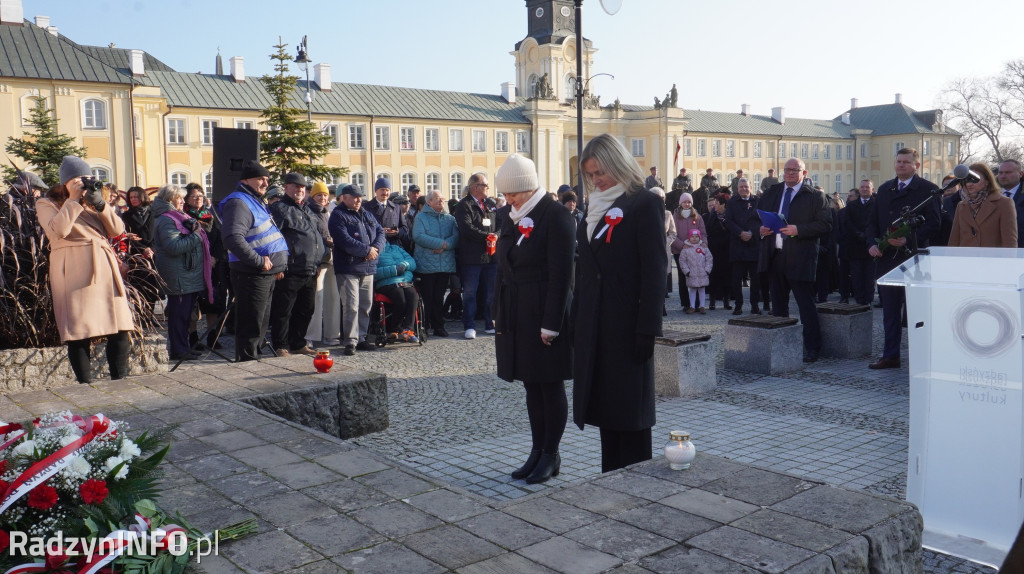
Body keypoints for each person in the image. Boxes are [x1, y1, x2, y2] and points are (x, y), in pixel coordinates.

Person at [573, 133, 667, 473]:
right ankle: (610, 479)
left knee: (630, 412)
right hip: (596, 324)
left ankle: (637, 483)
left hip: (627, 325)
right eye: (592, 175)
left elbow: (656, 271)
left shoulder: (643, 203)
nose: (597, 180)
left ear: (618, 163)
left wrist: (648, 329)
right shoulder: (594, 207)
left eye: (601, 172)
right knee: (608, 411)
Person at [490, 154, 575, 484]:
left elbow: (562, 275)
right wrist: (498, 312)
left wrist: (552, 323)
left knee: (549, 384)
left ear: (527, 187)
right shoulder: (512, 216)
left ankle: (551, 454)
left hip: (544, 312)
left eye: (512, 193)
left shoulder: (555, 216)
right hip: (517, 310)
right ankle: (537, 450)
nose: (507, 199)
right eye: (506, 194)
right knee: (530, 384)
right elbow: (502, 267)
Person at [37, 156, 135, 383]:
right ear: (66, 182)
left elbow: (117, 230)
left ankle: (120, 382)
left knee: (120, 327)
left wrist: (101, 204)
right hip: (72, 268)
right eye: (80, 178)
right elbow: (57, 232)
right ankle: (85, 386)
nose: (86, 182)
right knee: (78, 332)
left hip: (103, 263)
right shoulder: (47, 203)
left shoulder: (94, 201)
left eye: (89, 177)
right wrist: (72, 200)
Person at [865, 148, 940, 369]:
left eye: (906, 162)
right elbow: (872, 223)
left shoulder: (928, 190)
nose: (901, 165)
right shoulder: (884, 189)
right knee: (889, 311)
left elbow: (934, 223)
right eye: (898, 161)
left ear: (916, 165)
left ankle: (923, 356)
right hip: (887, 259)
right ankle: (891, 355)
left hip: (915, 260)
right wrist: (871, 244)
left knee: (918, 312)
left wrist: (908, 239)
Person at [758, 158, 832, 363]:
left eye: (794, 170)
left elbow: (826, 225)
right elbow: (759, 217)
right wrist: (761, 229)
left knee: (805, 304)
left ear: (804, 172)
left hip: (801, 257)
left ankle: (812, 347)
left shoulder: (815, 196)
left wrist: (798, 230)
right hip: (775, 256)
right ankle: (782, 346)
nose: (789, 174)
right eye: (787, 170)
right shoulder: (773, 192)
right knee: (778, 306)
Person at [218, 160, 289, 362]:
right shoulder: (238, 202)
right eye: (260, 179)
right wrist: (258, 261)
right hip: (251, 273)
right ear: (245, 180)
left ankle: (255, 361)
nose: (265, 183)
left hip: (264, 272)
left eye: (267, 179)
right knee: (252, 326)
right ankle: (248, 365)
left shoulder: (254, 200)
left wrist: (277, 264)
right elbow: (232, 238)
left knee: (261, 325)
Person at [151, 184, 211, 361]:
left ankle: (183, 347)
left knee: (185, 315)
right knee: (178, 315)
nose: (182, 201)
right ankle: (178, 349)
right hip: (178, 274)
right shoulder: (166, 219)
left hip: (186, 273)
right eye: (179, 198)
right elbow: (173, 247)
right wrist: (197, 236)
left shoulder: (176, 216)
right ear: (170, 199)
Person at [268, 172, 324, 357]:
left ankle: (298, 343)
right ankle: (281, 345)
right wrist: (278, 265)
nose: (300, 190)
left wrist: (318, 261)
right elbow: (274, 239)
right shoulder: (280, 208)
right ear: (286, 187)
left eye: (302, 187)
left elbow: (315, 237)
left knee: (306, 309)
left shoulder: (307, 209)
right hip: (290, 269)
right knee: (283, 310)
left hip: (309, 268)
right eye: (296, 186)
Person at [329, 184, 386, 356]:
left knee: (365, 305)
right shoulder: (338, 215)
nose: (358, 200)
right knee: (351, 306)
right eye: (355, 197)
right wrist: (367, 250)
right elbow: (344, 241)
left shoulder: (367, 214)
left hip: (368, 267)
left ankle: (361, 338)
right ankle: (351, 341)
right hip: (348, 267)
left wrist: (375, 249)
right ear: (343, 197)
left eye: (360, 196)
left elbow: (380, 233)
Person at [454, 172, 498, 339]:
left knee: (490, 293)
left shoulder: (491, 204)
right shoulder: (464, 205)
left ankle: (490, 323)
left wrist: (497, 235)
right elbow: (466, 228)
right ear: (475, 187)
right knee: (470, 293)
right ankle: (469, 325)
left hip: (491, 256)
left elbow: (500, 222)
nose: (487, 188)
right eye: (485, 185)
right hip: (472, 258)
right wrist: (487, 236)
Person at [184, 183, 226, 349]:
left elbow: (219, 239)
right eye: (194, 196)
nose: (198, 198)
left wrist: (215, 257)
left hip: (212, 267)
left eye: (200, 195)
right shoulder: (184, 217)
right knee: (193, 305)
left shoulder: (210, 216)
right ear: (187, 199)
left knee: (213, 302)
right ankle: (193, 338)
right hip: (193, 266)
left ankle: (212, 337)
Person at [413, 190, 459, 337]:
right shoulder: (421, 217)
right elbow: (418, 236)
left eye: (442, 199)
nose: (441, 202)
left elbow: (456, 236)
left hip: (444, 264)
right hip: (427, 264)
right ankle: (425, 326)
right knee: (427, 297)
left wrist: (445, 246)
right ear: (429, 202)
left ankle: (439, 326)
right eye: (438, 199)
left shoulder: (450, 218)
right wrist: (441, 244)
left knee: (439, 297)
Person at [304, 181, 340, 347]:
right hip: (318, 260)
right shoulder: (308, 211)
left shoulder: (329, 212)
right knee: (316, 298)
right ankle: (311, 335)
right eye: (319, 195)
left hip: (332, 259)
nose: (323, 198)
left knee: (333, 298)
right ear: (313, 196)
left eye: (325, 195)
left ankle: (332, 334)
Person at [948, 163, 1017, 248]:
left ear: (987, 181)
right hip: (965, 259)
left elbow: (1009, 242)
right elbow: (954, 241)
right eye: (967, 180)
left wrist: (1007, 261)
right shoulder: (962, 205)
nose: (970, 184)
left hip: (992, 259)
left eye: (975, 179)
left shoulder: (1004, 203)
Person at [724, 181, 762, 315]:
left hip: (754, 244)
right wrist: (740, 233)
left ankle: (755, 305)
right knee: (736, 279)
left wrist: (752, 232)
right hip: (738, 244)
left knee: (755, 280)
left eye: (746, 186)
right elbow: (728, 220)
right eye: (741, 187)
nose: (744, 189)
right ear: (737, 189)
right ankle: (738, 305)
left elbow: (762, 220)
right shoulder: (732, 202)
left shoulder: (758, 201)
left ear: (751, 187)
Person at [374, 242, 420, 343]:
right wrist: (394, 270)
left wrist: (404, 265)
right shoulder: (373, 251)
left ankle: (408, 330)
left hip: (405, 280)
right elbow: (374, 272)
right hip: (387, 282)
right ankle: (394, 329)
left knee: (413, 296)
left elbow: (412, 262)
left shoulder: (396, 248)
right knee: (401, 299)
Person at [670, 192, 707, 311]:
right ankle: (686, 303)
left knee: (695, 276)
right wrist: (682, 245)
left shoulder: (697, 216)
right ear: (681, 203)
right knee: (683, 277)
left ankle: (696, 304)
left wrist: (704, 244)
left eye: (689, 202)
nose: (687, 204)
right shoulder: (675, 216)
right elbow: (671, 234)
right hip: (679, 251)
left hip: (694, 251)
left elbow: (703, 233)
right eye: (685, 202)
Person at [842, 180, 876, 305]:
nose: (864, 189)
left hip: (871, 246)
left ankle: (868, 299)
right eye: (862, 187)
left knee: (869, 276)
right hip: (855, 245)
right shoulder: (851, 205)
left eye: (867, 187)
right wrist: (858, 234)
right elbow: (848, 223)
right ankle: (859, 299)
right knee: (856, 276)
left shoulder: (877, 204)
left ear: (872, 189)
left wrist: (868, 235)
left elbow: (877, 222)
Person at [703, 193, 731, 310]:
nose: (714, 206)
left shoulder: (729, 215)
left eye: (717, 204)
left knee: (727, 276)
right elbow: (708, 230)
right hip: (714, 250)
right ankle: (712, 301)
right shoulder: (711, 216)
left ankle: (726, 300)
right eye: (714, 204)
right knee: (713, 275)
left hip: (727, 249)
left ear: (723, 205)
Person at [365, 177, 410, 248]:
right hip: (375, 246)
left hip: (393, 246)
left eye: (387, 190)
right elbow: (363, 228)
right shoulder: (366, 207)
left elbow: (405, 229)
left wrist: (397, 232)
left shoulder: (396, 207)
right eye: (382, 190)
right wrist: (380, 231)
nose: (385, 193)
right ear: (376, 191)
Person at [650, 187, 676, 304]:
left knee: (663, 276)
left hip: (664, 249)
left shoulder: (668, 214)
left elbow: (673, 233)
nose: (659, 199)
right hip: (649, 249)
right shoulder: (644, 213)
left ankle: (662, 305)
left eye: (661, 197)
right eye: (656, 197)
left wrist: (665, 242)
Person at [678, 229, 713, 314]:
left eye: (696, 236)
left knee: (702, 289)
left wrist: (707, 270)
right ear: (689, 238)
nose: (694, 238)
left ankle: (702, 306)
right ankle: (692, 306)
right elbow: (682, 261)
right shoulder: (685, 249)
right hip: (691, 273)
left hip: (702, 273)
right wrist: (686, 271)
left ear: (699, 237)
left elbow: (709, 259)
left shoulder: (704, 248)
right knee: (692, 290)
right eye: (692, 236)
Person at [120, 186, 154, 259]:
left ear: (142, 197)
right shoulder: (126, 215)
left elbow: (159, 233)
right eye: (131, 197)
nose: (133, 199)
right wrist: (143, 249)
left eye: (136, 197)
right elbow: (127, 236)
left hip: (155, 252)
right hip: (137, 254)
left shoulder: (154, 212)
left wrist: (152, 249)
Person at [997, 160, 1024, 247]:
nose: (1003, 176)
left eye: (1008, 172)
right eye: (1000, 173)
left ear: (1020, 174)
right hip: (994, 252)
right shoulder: (988, 195)